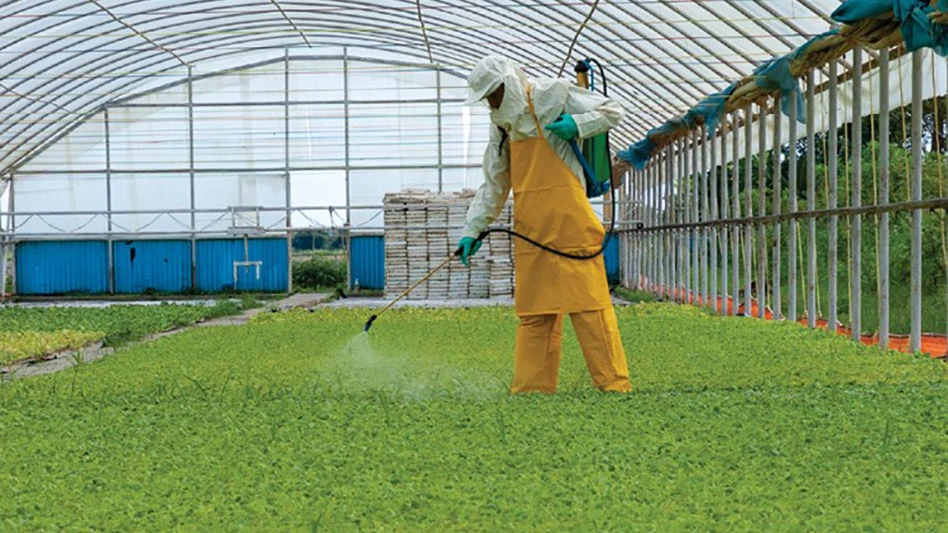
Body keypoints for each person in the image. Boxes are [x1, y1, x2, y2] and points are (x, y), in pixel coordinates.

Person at [458, 55, 631, 394]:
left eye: (494, 93)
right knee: (535, 314)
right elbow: (495, 183)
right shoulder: (503, 127)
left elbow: (613, 111)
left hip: (571, 224)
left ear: (508, 83)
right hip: (532, 232)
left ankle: (613, 386)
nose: (492, 102)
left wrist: (578, 126)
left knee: (589, 307)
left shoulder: (551, 94)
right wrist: (472, 229)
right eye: (487, 98)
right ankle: (531, 392)